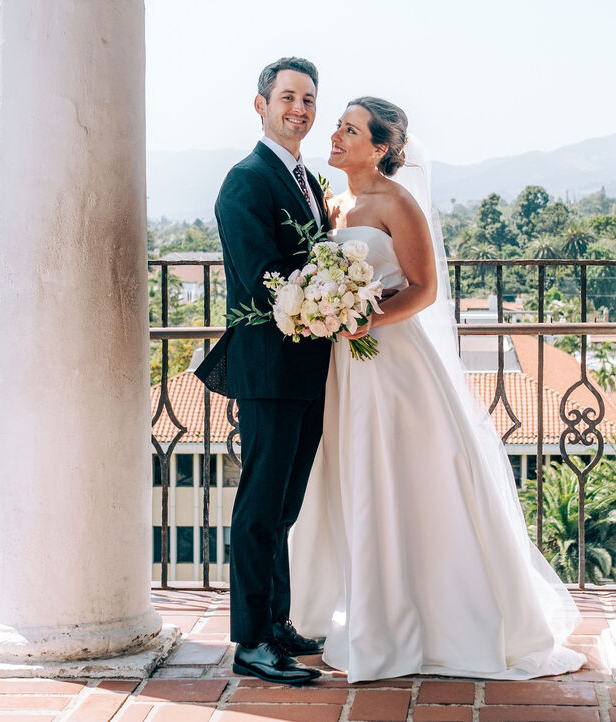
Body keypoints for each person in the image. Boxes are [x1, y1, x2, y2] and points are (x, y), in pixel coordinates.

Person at [285, 96, 585, 682]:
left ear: (380, 148)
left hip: (394, 365)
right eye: (339, 126)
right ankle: (361, 611)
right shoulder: (331, 203)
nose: (337, 135)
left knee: (402, 481)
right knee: (354, 481)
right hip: (344, 367)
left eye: (350, 129)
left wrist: (365, 318)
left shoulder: (399, 204)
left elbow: (422, 288)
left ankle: (429, 621)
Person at [194, 56, 331, 685]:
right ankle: (250, 640)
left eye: (308, 99)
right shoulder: (246, 181)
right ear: (260, 105)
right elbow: (259, 278)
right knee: (258, 505)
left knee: (285, 501)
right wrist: (326, 293)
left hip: (309, 363)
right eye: (287, 98)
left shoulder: (305, 179)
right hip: (270, 367)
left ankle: (277, 621)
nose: (299, 109)